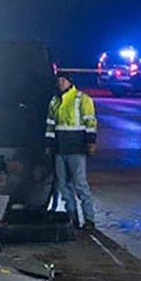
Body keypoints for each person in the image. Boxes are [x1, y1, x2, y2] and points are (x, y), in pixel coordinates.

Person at [44, 70, 99, 230]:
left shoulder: (82, 99)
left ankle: (89, 220)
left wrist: (91, 142)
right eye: (59, 81)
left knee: (80, 185)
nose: (60, 83)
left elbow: (90, 122)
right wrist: (49, 144)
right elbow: (50, 125)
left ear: (70, 82)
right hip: (60, 149)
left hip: (76, 148)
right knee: (63, 185)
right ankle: (72, 218)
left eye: (63, 81)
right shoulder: (55, 101)